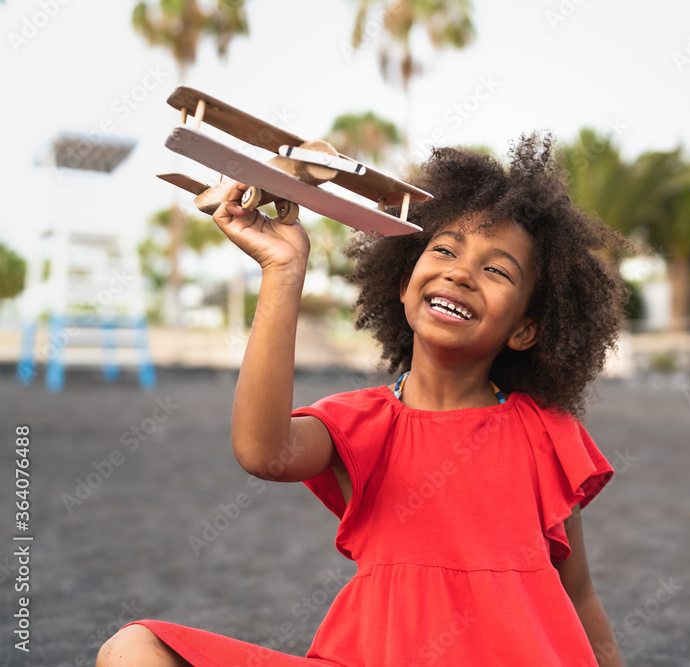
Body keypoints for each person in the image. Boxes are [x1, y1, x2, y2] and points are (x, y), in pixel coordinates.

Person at [98, 134, 627, 666]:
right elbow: (262, 452)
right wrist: (283, 270)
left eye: (497, 271)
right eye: (443, 249)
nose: (460, 273)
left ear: (526, 328)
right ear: (404, 282)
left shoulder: (544, 434)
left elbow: (578, 595)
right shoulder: (361, 425)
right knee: (134, 649)